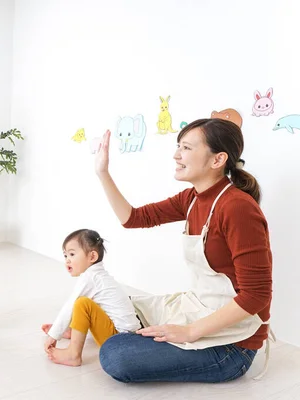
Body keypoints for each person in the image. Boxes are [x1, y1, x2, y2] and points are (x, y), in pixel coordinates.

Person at [91, 118, 273, 383]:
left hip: (233, 346)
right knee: (103, 304)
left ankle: (127, 339)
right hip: (200, 308)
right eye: (179, 146)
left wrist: (189, 332)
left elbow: (256, 296)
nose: (176, 155)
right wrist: (102, 173)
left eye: (186, 147)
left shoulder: (237, 208)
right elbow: (133, 218)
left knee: (116, 355)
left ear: (217, 159)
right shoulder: (192, 198)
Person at [42, 229, 141, 366]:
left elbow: (69, 307)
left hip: (119, 340)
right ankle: (73, 331)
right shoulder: (98, 276)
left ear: (92, 257)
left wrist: (53, 335)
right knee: (86, 303)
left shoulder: (91, 277)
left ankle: (73, 354)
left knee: (82, 303)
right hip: (128, 337)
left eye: (72, 254)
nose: (67, 260)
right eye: (65, 256)